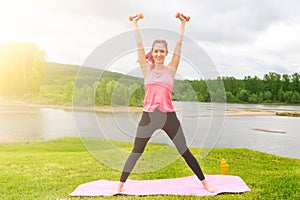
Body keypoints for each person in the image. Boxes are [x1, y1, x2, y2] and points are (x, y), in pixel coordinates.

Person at [114, 14, 215, 193]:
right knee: (136, 151)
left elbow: (179, 46)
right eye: (156, 51)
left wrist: (183, 25)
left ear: (166, 54)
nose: (159, 54)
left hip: (169, 116)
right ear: (152, 53)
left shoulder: (171, 69)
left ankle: (205, 182)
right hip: (149, 116)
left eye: (162, 51)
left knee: (184, 151)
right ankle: (120, 185)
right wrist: (135, 24)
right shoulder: (146, 69)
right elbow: (138, 45)